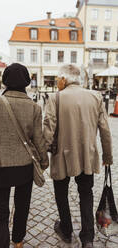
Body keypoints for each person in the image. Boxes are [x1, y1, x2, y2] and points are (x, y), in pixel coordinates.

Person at [0, 63, 49, 248]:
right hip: (24, 167)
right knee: (22, 207)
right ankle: (18, 240)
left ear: (4, 81)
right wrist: (44, 162)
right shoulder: (34, 108)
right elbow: (39, 140)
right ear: (27, 82)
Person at [43, 64, 113, 248]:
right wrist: (108, 156)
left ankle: (66, 229)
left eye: (58, 79)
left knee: (61, 193)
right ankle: (87, 238)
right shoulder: (95, 96)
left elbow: (48, 129)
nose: (58, 82)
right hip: (86, 156)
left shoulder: (55, 98)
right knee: (86, 194)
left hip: (61, 156)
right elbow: (105, 130)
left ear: (64, 79)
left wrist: (42, 154)